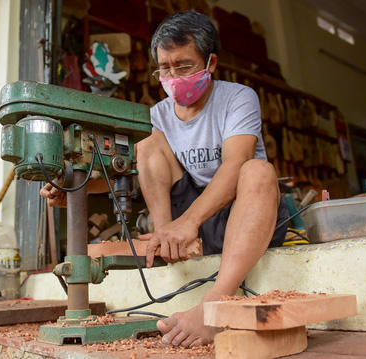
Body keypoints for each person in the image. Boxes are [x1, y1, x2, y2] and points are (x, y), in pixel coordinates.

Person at [40, 10, 289, 348]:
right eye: (164, 68)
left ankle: (214, 306)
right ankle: (167, 240)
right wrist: (74, 191)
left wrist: (189, 222)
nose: (172, 76)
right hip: (190, 227)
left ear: (211, 63)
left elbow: (236, 165)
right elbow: (127, 171)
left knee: (258, 170)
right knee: (145, 140)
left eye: (183, 66)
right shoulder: (156, 115)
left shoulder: (237, 98)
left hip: (242, 214)